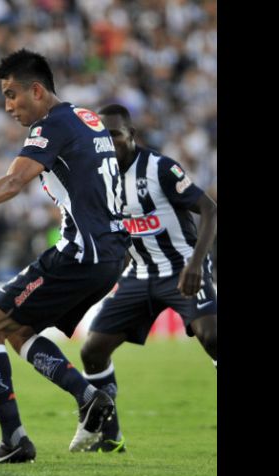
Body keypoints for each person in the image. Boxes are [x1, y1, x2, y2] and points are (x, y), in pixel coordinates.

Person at [0, 48, 130, 463]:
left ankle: (16, 441)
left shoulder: (50, 126)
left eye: (11, 95)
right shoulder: (88, 119)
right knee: (18, 330)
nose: (8, 106)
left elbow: (14, 182)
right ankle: (87, 396)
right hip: (111, 254)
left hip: (81, 254)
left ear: (38, 90)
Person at [78, 103, 217, 452]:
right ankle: (110, 438)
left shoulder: (161, 168)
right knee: (93, 350)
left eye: (115, 135)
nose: (109, 143)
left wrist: (197, 263)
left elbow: (210, 210)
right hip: (138, 275)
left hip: (181, 269)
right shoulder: (100, 177)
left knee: (213, 336)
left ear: (131, 135)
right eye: (102, 137)